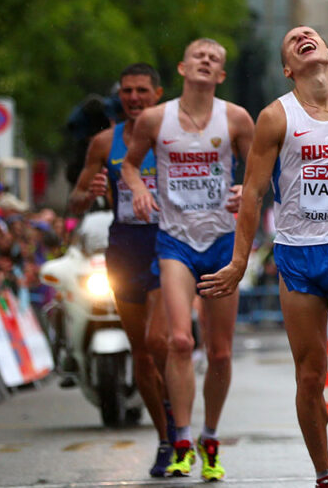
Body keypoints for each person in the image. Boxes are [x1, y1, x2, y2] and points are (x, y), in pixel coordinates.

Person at [197, 26, 328, 488]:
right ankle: (324, 474)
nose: (302, 35)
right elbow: (254, 195)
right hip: (297, 255)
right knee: (310, 375)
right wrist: (240, 262)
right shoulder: (275, 118)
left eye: (311, 34)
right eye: (291, 39)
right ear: (289, 68)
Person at [123, 38, 254, 480]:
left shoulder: (235, 118)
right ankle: (181, 436)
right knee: (180, 341)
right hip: (175, 240)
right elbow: (128, 165)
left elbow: (258, 173)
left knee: (219, 352)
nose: (206, 61)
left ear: (220, 76)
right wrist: (140, 188)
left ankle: (210, 437)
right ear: (182, 67)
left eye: (215, 59)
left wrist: (244, 191)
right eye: (199, 55)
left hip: (221, 241)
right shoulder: (155, 119)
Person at [67, 63, 174, 476]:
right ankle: (166, 439)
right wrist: (87, 192)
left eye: (142, 91)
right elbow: (74, 202)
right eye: (127, 91)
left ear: (157, 94)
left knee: (161, 341)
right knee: (142, 352)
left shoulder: (172, 137)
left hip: (167, 243)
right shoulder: (102, 143)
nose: (134, 98)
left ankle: (179, 426)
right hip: (125, 244)